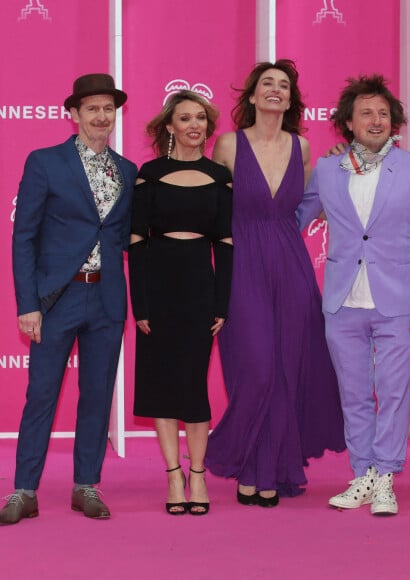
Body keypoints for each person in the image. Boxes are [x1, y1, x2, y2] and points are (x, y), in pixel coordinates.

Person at [204, 59, 345, 506]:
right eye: (267, 83)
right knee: (257, 368)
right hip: (241, 264)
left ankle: (272, 470)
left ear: (290, 98)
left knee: (286, 370)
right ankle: (244, 458)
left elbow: (301, 209)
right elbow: (211, 209)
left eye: (283, 85)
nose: (276, 90)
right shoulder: (227, 144)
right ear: (251, 96)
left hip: (291, 266)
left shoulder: (302, 148)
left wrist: (340, 170)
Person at [297, 75, 410, 516]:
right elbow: (296, 218)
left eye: (383, 113)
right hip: (341, 301)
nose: (375, 120)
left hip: (398, 302)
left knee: (394, 393)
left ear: (393, 122)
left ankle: (386, 479)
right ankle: (362, 475)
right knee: (354, 394)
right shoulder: (327, 168)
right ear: (348, 123)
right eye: (366, 114)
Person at [1, 74, 138, 525]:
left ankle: (86, 486)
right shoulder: (45, 162)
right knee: (41, 395)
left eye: (108, 109)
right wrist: (28, 304)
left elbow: (122, 236)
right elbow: (25, 237)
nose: (102, 116)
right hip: (57, 296)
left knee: (97, 395)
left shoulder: (128, 169)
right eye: (93, 108)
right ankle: (24, 490)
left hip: (107, 297)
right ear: (74, 114)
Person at [128, 91, 233, 516]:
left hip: (199, 288)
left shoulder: (220, 175)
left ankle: (199, 474)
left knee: (192, 384)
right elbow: (135, 243)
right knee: (161, 384)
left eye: (201, 119)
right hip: (158, 284)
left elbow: (225, 244)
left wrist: (221, 303)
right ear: (169, 127)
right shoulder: (148, 175)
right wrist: (141, 305)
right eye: (185, 118)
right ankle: (173, 475)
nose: (194, 125)